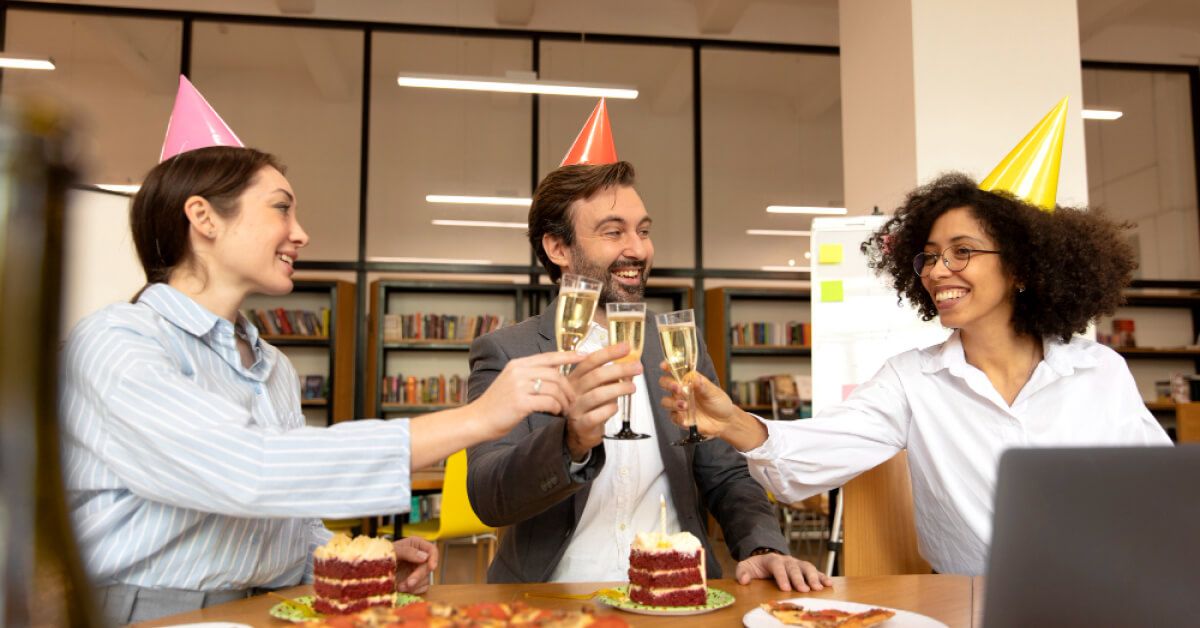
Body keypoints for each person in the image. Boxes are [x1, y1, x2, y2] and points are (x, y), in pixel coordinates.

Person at [60, 145, 582, 624]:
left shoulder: (273, 366)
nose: (300, 233)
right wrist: (476, 418)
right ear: (203, 217)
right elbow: (251, 469)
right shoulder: (117, 342)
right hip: (151, 613)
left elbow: (285, 515)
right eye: (281, 208)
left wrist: (349, 562)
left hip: (273, 603)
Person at [657, 173, 1173, 576]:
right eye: (928, 257)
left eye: (962, 252)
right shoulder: (913, 380)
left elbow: (1160, 491)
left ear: (1020, 269)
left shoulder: (1097, 369)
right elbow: (813, 454)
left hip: (1099, 596)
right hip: (969, 606)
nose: (936, 270)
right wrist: (730, 422)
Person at [466, 158, 830, 591]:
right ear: (557, 249)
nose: (638, 250)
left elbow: (725, 473)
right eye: (613, 231)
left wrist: (763, 547)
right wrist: (569, 442)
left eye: (643, 231)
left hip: (677, 595)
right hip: (554, 599)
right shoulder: (508, 351)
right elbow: (489, 496)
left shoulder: (676, 342)